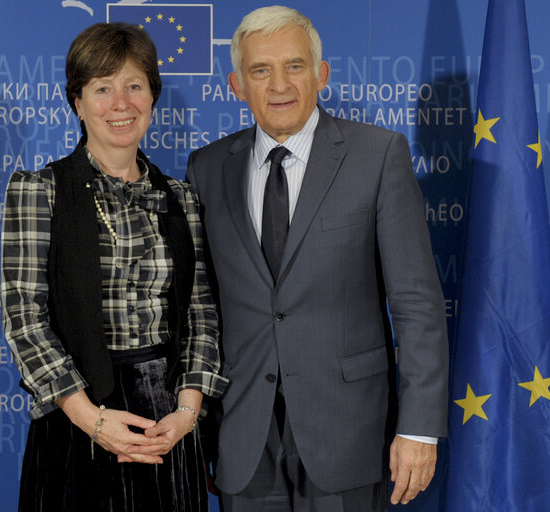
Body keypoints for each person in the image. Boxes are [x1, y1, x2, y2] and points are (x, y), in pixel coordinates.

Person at [186, 6, 448, 511]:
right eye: (260, 70)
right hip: (243, 437)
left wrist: (419, 428)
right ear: (237, 84)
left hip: (349, 433)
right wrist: (197, 426)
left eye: (295, 66)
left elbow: (416, 303)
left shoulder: (378, 156)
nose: (279, 84)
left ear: (322, 74)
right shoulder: (208, 167)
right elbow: (202, 309)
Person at [1, 22, 226, 512]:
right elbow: (24, 318)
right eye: (102, 88)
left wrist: (188, 410)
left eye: (134, 86)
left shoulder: (182, 199)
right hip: (78, 418)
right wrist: (92, 420)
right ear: (78, 104)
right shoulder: (40, 191)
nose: (120, 103)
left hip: (168, 422)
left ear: (152, 97)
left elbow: (201, 311)